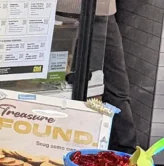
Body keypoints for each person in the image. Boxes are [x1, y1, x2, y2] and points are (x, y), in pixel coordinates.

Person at [57, 0, 136, 153]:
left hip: (103, 12)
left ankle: (127, 155)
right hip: (64, 12)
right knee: (62, 86)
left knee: (116, 88)